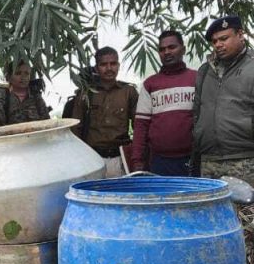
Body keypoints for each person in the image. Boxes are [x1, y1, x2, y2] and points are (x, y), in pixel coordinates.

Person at [193, 15, 254, 184]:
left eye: (224, 39)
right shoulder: (205, 71)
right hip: (209, 161)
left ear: (240, 35)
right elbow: (196, 112)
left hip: (245, 159)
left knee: (246, 203)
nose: (218, 45)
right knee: (212, 203)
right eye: (214, 41)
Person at [131, 30, 197, 175]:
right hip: (160, 161)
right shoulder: (150, 84)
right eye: (162, 49)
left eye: (172, 47)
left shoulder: (197, 79)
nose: (167, 52)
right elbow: (141, 126)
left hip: (193, 159)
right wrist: (137, 161)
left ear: (183, 49)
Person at [69, 47, 138, 177]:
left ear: (118, 65)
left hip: (121, 159)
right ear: (96, 68)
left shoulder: (129, 92)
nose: (109, 68)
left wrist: (137, 156)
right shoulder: (86, 93)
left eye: (113, 63)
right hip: (93, 159)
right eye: (104, 64)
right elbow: (76, 128)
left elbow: (139, 126)